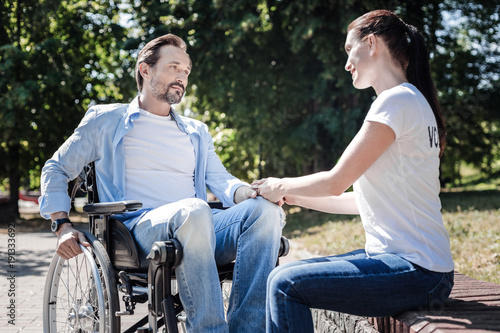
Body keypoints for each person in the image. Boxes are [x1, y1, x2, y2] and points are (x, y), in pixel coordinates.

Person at [39, 33, 285, 333]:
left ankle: (247, 329)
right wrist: (62, 225)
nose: (182, 76)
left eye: (186, 71)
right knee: (194, 210)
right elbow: (56, 168)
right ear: (146, 70)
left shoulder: (196, 131)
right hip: (136, 233)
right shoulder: (105, 120)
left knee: (266, 211)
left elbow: (222, 180)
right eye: (173, 67)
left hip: (201, 227)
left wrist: (254, 192)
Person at [251, 10, 454, 333]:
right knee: (282, 279)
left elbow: (335, 181)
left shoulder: (395, 102)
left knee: (285, 284)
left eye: (349, 50)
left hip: (418, 273)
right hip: (420, 269)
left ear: (371, 43)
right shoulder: (411, 100)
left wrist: (280, 183)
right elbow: (357, 201)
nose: (347, 64)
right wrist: (290, 195)